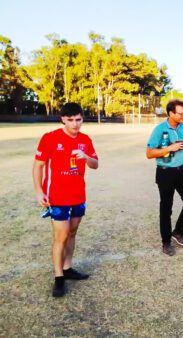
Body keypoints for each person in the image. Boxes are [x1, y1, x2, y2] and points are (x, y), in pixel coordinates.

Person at [32, 102, 99, 298]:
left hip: (78, 196)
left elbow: (95, 164)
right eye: (70, 120)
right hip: (57, 196)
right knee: (60, 236)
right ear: (62, 119)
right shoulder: (50, 138)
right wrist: (38, 191)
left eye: (78, 119)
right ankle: (59, 277)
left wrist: (85, 156)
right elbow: (38, 166)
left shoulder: (85, 139)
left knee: (72, 232)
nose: (75, 124)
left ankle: (68, 267)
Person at [146, 99, 183, 256]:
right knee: (166, 207)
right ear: (170, 113)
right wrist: (169, 148)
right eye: (180, 113)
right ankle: (166, 242)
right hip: (165, 172)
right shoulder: (159, 130)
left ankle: (178, 231)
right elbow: (149, 153)